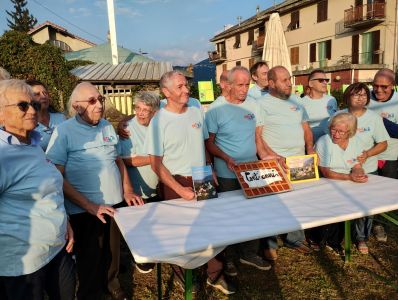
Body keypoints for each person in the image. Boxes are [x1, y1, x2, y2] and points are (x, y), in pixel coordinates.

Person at [46, 82, 143, 300]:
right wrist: (89, 205)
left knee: (112, 253)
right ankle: (91, 294)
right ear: (76, 106)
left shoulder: (107, 126)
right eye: (92, 101)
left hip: (114, 205)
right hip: (84, 209)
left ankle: (112, 287)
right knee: (91, 259)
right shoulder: (64, 131)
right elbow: (56, 175)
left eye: (100, 99)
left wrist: (127, 189)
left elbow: (117, 160)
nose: (99, 105)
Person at [145, 70, 236, 295]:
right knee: (180, 232)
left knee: (211, 225)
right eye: (180, 87)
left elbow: (203, 143)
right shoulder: (158, 122)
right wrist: (179, 189)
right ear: (165, 92)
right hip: (176, 181)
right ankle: (183, 275)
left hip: (202, 176)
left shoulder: (196, 109)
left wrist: (210, 168)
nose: (186, 90)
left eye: (186, 85)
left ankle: (214, 273)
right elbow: (155, 164)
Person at [0, 79, 75, 300]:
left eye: (34, 103)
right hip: (23, 265)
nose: (33, 109)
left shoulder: (32, 143)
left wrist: (65, 220)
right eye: (23, 105)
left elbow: (47, 189)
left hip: (57, 249)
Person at [205, 66, 275, 274]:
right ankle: (227, 258)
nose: (245, 89)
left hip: (251, 170)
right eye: (240, 85)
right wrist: (225, 159)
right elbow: (209, 143)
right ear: (228, 85)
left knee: (254, 213)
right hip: (227, 173)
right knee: (229, 216)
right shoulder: (216, 109)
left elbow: (258, 139)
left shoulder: (254, 105)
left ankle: (249, 253)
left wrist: (269, 157)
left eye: (247, 85)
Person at [259, 66, 314, 260]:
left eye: (289, 79)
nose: (289, 83)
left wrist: (310, 147)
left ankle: (295, 239)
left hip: (299, 160)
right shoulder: (261, 104)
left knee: (298, 201)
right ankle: (269, 244)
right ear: (271, 83)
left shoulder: (297, 101)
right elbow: (257, 135)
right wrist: (273, 155)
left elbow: (306, 128)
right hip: (274, 162)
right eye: (284, 80)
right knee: (273, 203)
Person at [337, 83, 389, 253]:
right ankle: (340, 237)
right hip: (342, 170)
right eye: (356, 94)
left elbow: (383, 144)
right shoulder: (338, 115)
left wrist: (367, 154)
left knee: (365, 206)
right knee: (343, 205)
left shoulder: (374, 118)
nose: (361, 98)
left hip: (367, 169)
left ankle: (361, 239)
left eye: (364, 95)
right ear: (347, 97)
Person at [312, 112, 369, 255]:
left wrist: (358, 174)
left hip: (347, 181)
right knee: (328, 212)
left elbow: (357, 165)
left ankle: (335, 241)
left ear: (349, 132)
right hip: (327, 182)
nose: (336, 134)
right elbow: (326, 172)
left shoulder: (356, 142)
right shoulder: (324, 141)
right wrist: (349, 177)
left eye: (341, 131)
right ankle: (318, 239)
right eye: (333, 129)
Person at [118, 91, 160, 274]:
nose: (141, 113)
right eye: (138, 109)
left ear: (155, 112)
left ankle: (154, 252)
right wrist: (155, 159)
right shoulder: (127, 127)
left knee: (156, 221)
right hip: (138, 187)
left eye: (146, 110)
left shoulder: (160, 123)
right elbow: (126, 160)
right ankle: (141, 259)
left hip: (159, 184)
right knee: (140, 224)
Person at [367, 68, 398, 242]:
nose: (378, 90)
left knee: (385, 193)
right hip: (366, 156)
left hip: (389, 156)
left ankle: (380, 225)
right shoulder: (365, 97)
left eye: (384, 87)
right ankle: (365, 225)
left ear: (392, 85)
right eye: (375, 85)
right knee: (367, 191)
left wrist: (379, 121)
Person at [26, 80, 66, 151]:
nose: (43, 96)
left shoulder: (62, 118)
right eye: (37, 94)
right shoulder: (27, 124)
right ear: (28, 98)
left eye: (45, 93)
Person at [300, 69, 337, 141]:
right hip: (310, 145)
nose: (325, 82)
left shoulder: (332, 100)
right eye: (321, 80)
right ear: (311, 84)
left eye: (326, 80)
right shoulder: (301, 103)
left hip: (329, 144)